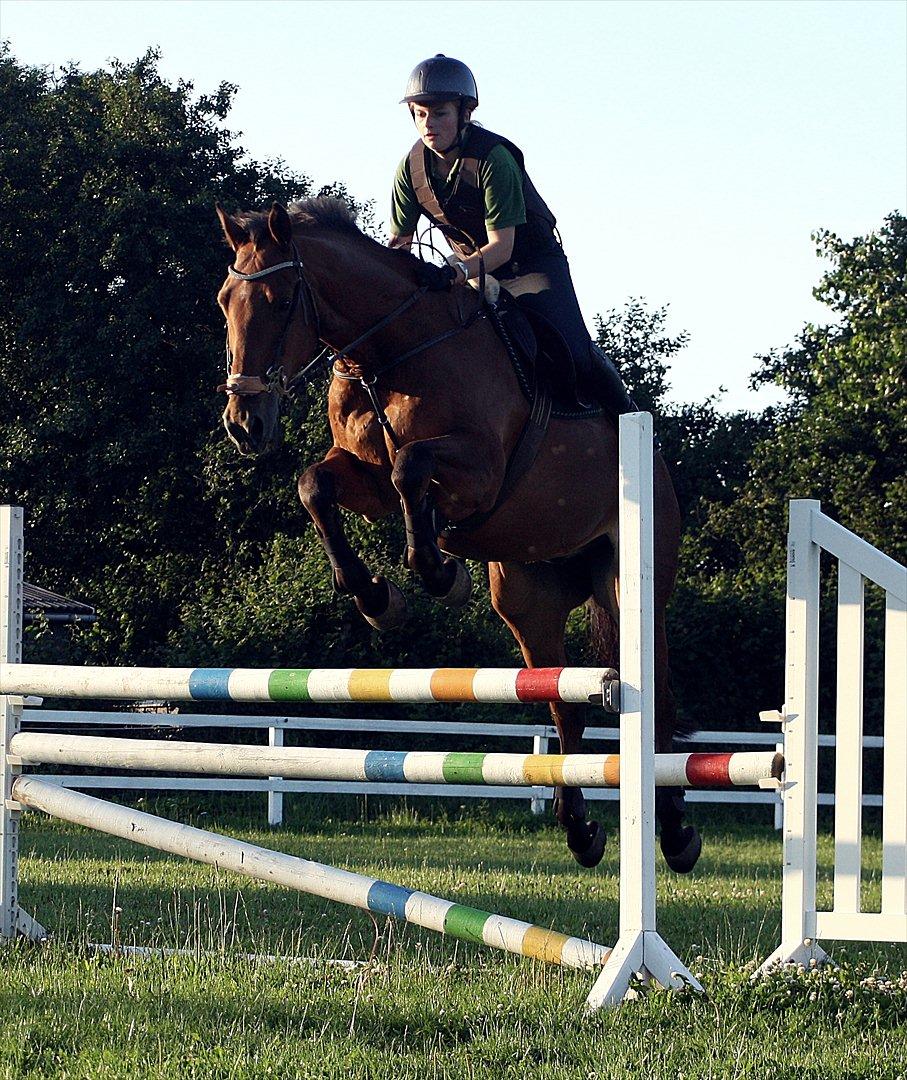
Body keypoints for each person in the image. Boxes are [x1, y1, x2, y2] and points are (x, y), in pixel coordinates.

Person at [388, 53, 633, 415]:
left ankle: (632, 426)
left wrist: (455, 272)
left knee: (573, 349)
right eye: (420, 114)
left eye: (439, 113)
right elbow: (399, 247)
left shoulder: (494, 158)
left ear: (463, 114)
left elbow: (502, 247)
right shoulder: (409, 169)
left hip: (528, 266)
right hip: (468, 273)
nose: (428, 124)